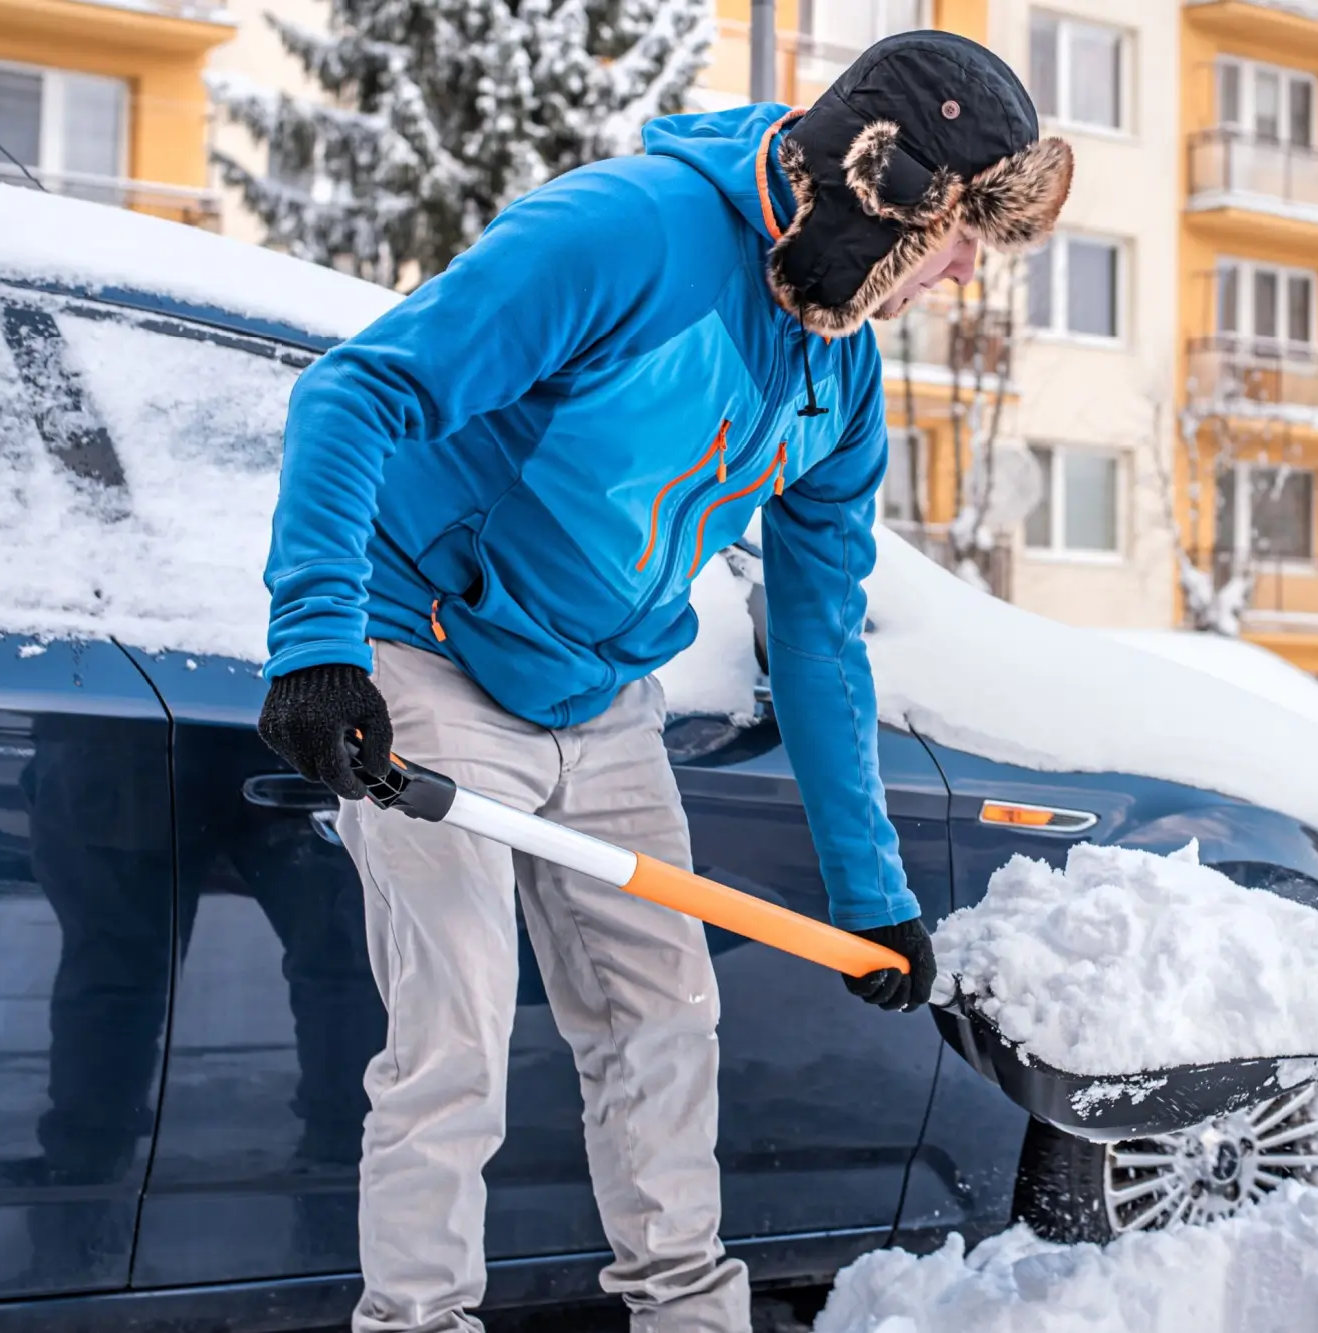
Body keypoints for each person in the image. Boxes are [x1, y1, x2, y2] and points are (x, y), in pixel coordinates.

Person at [252, 32, 1073, 1333]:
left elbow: (817, 638)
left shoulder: (841, 378)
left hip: (602, 702)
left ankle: (688, 1314)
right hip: (427, 650)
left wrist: (874, 898)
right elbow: (358, 394)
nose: (971, 269)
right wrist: (316, 645)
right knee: (452, 1044)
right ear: (887, 201)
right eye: (965, 232)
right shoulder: (625, 236)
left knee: (665, 1024)